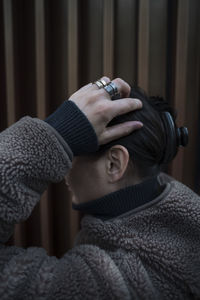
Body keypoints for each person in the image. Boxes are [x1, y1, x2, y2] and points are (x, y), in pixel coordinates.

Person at [0, 76, 199, 299]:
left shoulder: (113, 285)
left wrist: (52, 135)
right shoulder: (179, 219)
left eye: (72, 148)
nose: (64, 166)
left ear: (114, 164)